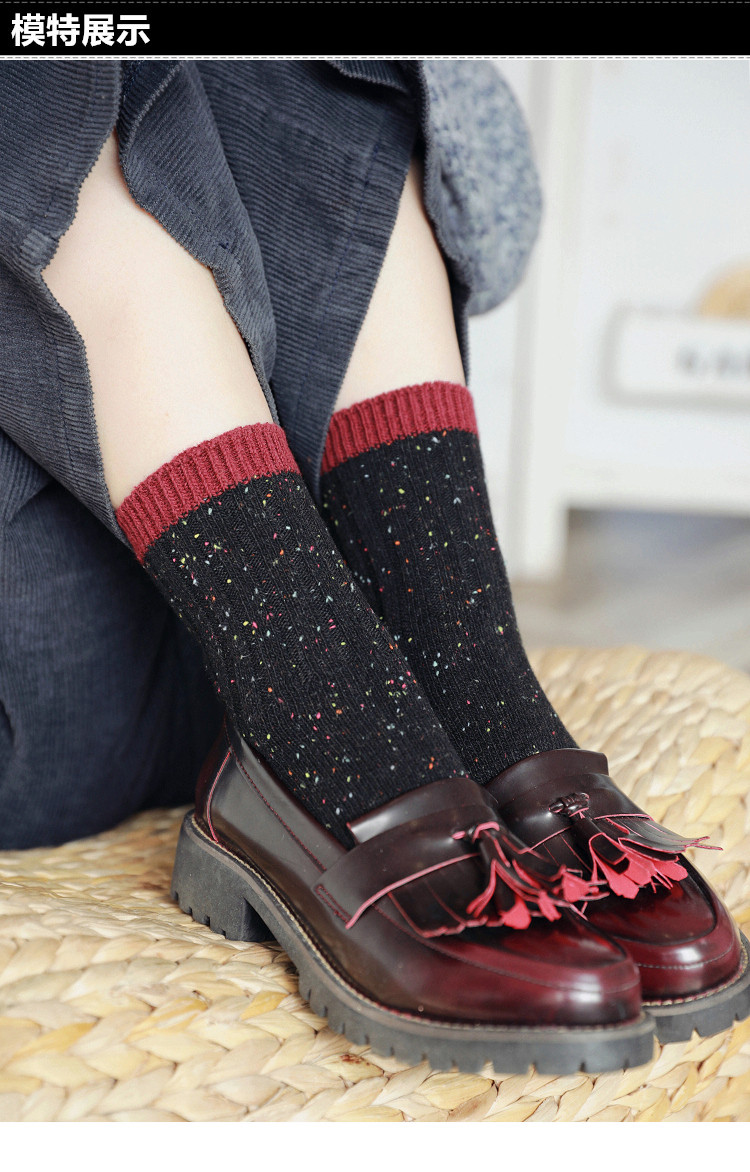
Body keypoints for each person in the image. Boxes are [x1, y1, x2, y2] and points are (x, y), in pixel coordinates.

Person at [0, 60, 747, 1074]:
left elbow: (491, 196)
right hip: (49, 670)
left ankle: (444, 686)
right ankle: (332, 709)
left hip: (235, 612)